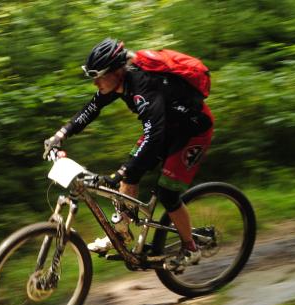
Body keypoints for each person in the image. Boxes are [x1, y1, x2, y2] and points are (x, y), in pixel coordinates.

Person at [44, 38, 214, 269]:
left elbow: (153, 135)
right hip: (164, 130)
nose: (96, 83)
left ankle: (190, 248)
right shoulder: (118, 81)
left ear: (116, 71)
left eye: (99, 76)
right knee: (127, 176)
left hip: (192, 132)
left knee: (167, 192)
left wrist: (123, 171)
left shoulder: (144, 84)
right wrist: (60, 135)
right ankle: (122, 234)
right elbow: (92, 108)